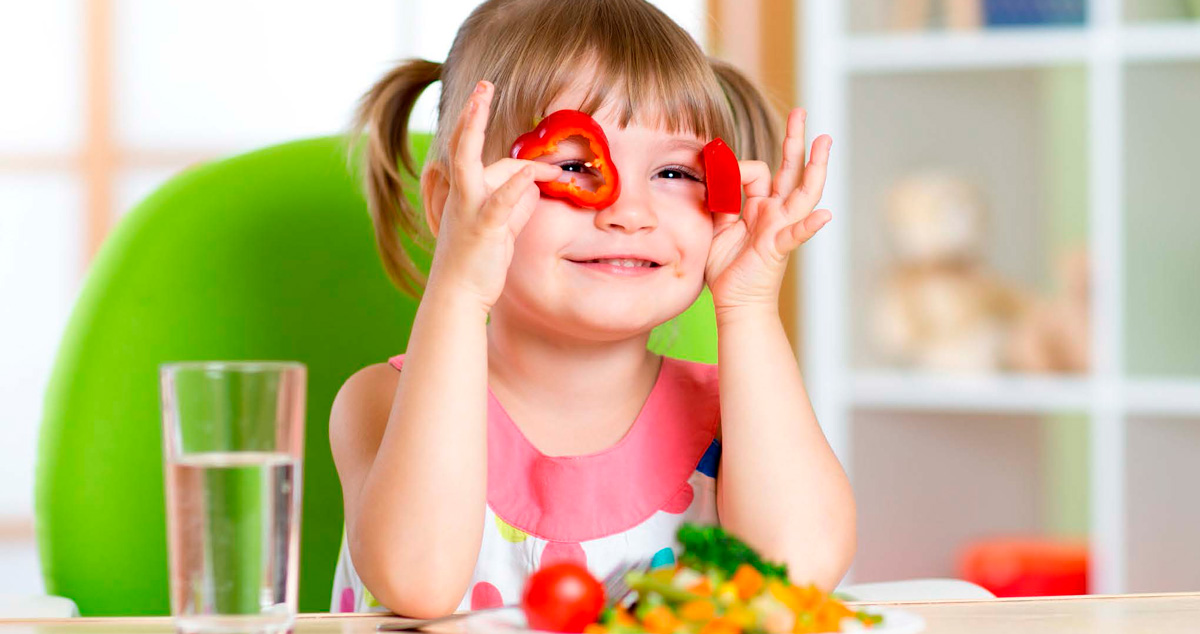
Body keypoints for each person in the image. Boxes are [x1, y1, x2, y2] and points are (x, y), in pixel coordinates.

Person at [329, 0, 854, 617]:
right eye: (575, 165)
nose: (630, 212)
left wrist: (747, 306)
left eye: (675, 173)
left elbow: (799, 575)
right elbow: (418, 583)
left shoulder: (738, 415)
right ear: (452, 203)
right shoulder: (385, 402)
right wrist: (459, 287)